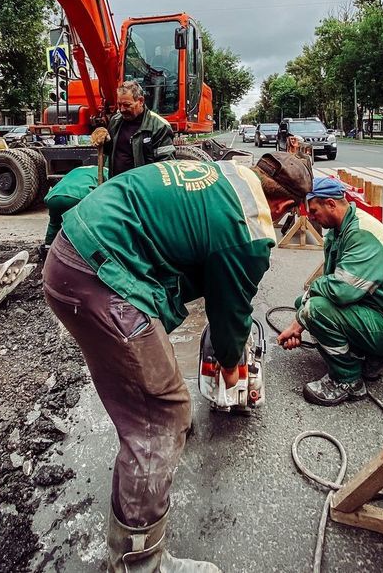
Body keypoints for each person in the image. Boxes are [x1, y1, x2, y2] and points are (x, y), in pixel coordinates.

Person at [42, 153, 312, 571]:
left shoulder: (229, 173)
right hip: (99, 275)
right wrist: (230, 367)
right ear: (284, 207)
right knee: (162, 416)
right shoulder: (251, 229)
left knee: (151, 377)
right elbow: (231, 313)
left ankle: (145, 461)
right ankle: (140, 563)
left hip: (75, 252)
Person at [277, 175, 383, 407]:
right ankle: (371, 358)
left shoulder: (362, 234)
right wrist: (303, 312)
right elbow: (331, 282)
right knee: (304, 303)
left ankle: (347, 381)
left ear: (331, 204)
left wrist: (300, 320)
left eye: (314, 210)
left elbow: (342, 291)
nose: (310, 217)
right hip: (378, 310)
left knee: (315, 310)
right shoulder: (341, 230)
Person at [90, 80, 175, 177]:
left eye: (127, 105)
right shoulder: (115, 121)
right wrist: (104, 141)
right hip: (118, 184)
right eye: (119, 104)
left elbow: (166, 165)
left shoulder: (159, 126)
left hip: (143, 187)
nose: (122, 109)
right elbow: (109, 152)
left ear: (141, 101)